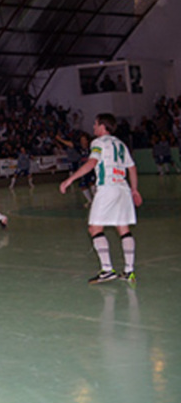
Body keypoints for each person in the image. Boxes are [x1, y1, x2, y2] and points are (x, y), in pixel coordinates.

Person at [59, 113, 142, 284]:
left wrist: (70, 179)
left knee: (94, 228)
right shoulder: (121, 144)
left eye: (96, 124)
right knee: (123, 229)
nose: (93, 127)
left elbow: (92, 163)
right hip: (123, 188)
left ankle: (107, 270)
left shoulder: (97, 143)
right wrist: (134, 189)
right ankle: (129, 270)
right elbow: (132, 168)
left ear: (103, 127)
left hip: (107, 188)